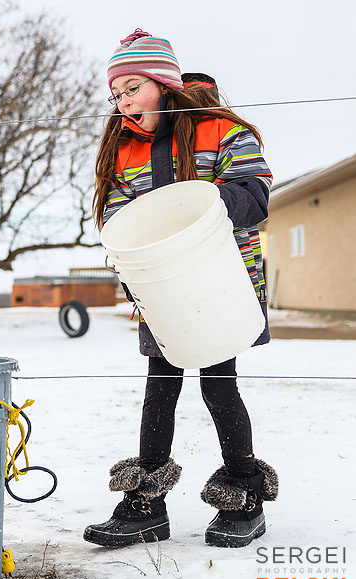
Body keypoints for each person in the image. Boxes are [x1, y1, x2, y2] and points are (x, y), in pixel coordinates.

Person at [83, 30, 278, 548]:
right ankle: (146, 504)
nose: (123, 103)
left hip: (221, 281)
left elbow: (254, 194)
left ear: (163, 84)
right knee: (160, 385)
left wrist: (203, 208)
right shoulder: (123, 146)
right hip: (161, 287)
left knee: (218, 383)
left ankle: (244, 496)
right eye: (116, 94)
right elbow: (118, 213)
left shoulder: (219, 129)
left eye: (132, 89)